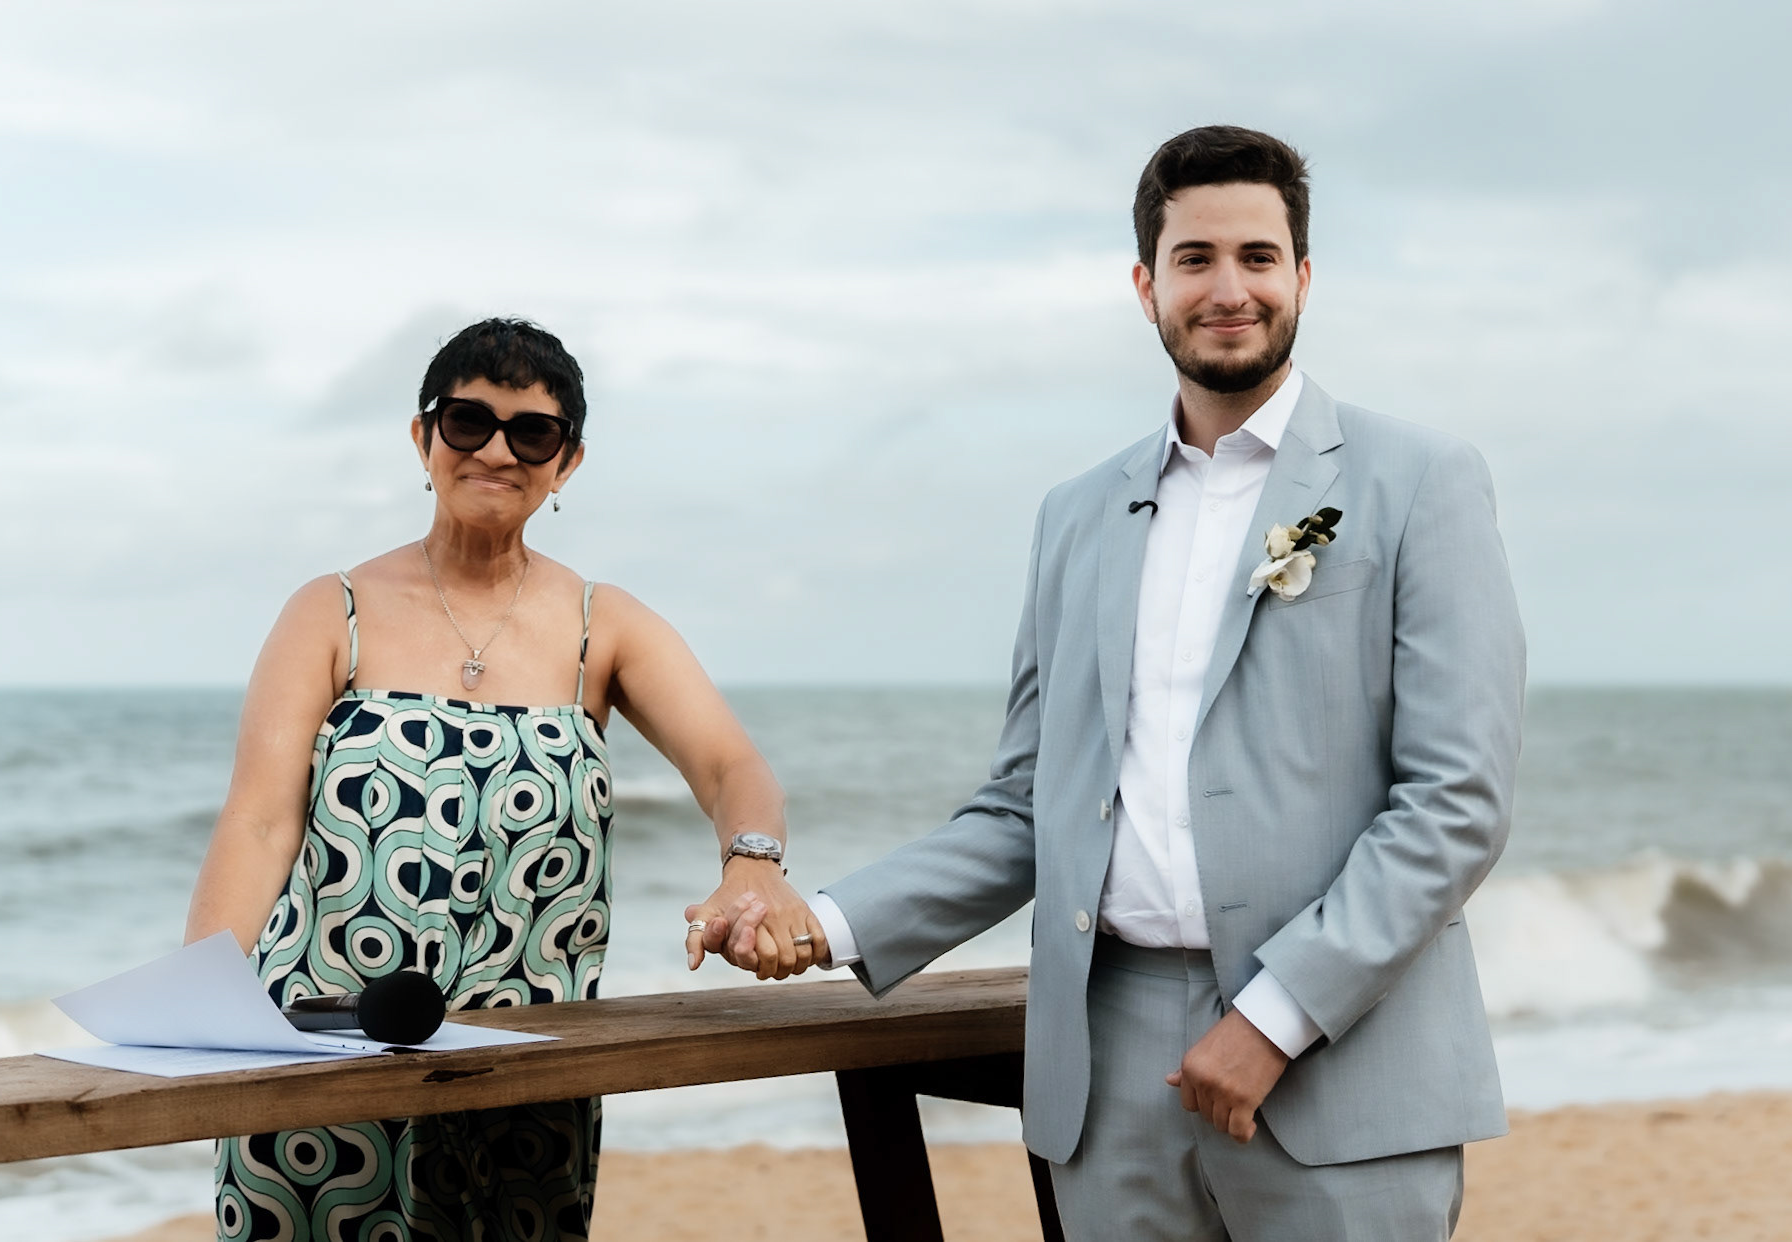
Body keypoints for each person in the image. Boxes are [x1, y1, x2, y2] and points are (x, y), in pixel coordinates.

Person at [706, 126, 1524, 1240]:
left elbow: (1454, 801)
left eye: (1257, 256)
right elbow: (1023, 807)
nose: (1228, 289)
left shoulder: (1422, 479)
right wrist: (826, 925)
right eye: (1194, 259)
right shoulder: (1075, 515)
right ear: (1146, 286)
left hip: (1345, 1061)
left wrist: (1277, 1016)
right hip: (1108, 1068)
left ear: (1303, 276)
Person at [185, 317, 821, 1242]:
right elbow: (257, 823)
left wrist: (753, 863)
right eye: (468, 421)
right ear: (423, 436)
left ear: (567, 462)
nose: (495, 450)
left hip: (525, 1075)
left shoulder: (604, 625)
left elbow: (733, 766)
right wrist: (197, 1006)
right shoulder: (332, 611)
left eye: (532, 432)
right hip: (318, 1058)